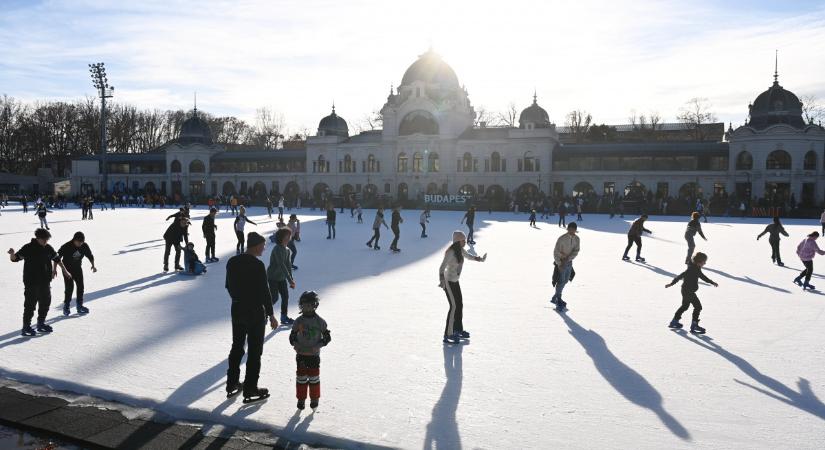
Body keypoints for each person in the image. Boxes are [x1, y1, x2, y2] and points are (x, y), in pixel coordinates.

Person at [225, 232, 278, 402]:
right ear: (255, 246)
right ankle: (250, 388)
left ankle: (232, 383)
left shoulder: (232, 262)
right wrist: (271, 314)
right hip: (254, 312)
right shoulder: (257, 265)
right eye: (262, 245)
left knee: (237, 347)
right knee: (255, 351)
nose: (264, 248)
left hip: (237, 308)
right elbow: (265, 292)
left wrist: (238, 299)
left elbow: (228, 286)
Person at [8, 228, 71, 336]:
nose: (46, 242)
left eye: (47, 239)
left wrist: (65, 270)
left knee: (45, 303)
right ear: (38, 238)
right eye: (44, 240)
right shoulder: (28, 248)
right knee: (30, 305)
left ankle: (41, 324)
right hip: (31, 281)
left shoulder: (48, 248)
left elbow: (57, 259)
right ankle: (26, 327)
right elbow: (15, 258)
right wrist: (12, 254)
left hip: (45, 281)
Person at [438, 230, 487, 344]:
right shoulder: (450, 252)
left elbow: (468, 256)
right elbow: (441, 268)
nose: (465, 242)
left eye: (465, 240)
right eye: (463, 240)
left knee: (459, 304)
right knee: (453, 306)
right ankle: (448, 334)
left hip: (455, 280)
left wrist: (479, 258)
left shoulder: (460, 250)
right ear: (457, 241)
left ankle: (458, 330)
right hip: (448, 281)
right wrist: (441, 280)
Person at [290, 290, 331, 410]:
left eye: (310, 305)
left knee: (314, 378)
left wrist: (318, 345)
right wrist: (295, 344)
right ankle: (301, 399)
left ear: (315, 306)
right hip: (301, 355)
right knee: (301, 378)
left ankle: (314, 399)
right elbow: (292, 337)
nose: (307, 308)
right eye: (304, 305)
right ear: (301, 306)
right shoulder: (298, 321)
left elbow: (327, 337)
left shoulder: (320, 322)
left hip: (313, 355)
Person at [666, 252, 717, 334]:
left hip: (686, 290)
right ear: (699, 262)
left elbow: (702, 277)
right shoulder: (692, 269)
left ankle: (674, 321)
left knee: (685, 306)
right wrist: (671, 283)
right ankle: (694, 325)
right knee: (698, 307)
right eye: (704, 262)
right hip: (688, 291)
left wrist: (712, 282)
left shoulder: (696, 268)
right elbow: (680, 276)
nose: (705, 263)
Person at [57, 231, 96, 316]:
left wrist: (93, 265)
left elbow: (90, 255)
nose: (80, 244)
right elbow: (57, 257)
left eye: (82, 242)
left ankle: (79, 306)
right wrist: (54, 269)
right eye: (78, 242)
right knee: (69, 288)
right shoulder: (66, 246)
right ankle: (66, 306)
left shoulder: (84, 246)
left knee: (80, 286)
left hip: (77, 268)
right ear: (74, 240)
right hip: (67, 270)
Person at [268, 228, 296, 325]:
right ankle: (263, 312)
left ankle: (284, 317)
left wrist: (291, 280)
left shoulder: (287, 250)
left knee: (285, 296)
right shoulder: (277, 249)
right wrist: (289, 280)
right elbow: (281, 264)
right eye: (286, 236)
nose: (289, 238)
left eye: (289, 236)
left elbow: (288, 265)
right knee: (274, 298)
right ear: (281, 237)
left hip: (281, 278)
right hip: (272, 277)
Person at [551, 222, 580, 311]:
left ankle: (555, 297)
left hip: (569, 262)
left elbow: (576, 250)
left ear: (575, 230)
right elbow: (556, 252)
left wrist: (568, 259)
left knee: (566, 280)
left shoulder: (577, 239)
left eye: (573, 229)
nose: (571, 231)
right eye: (570, 229)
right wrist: (559, 263)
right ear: (567, 229)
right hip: (560, 263)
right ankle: (558, 299)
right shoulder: (562, 239)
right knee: (561, 281)